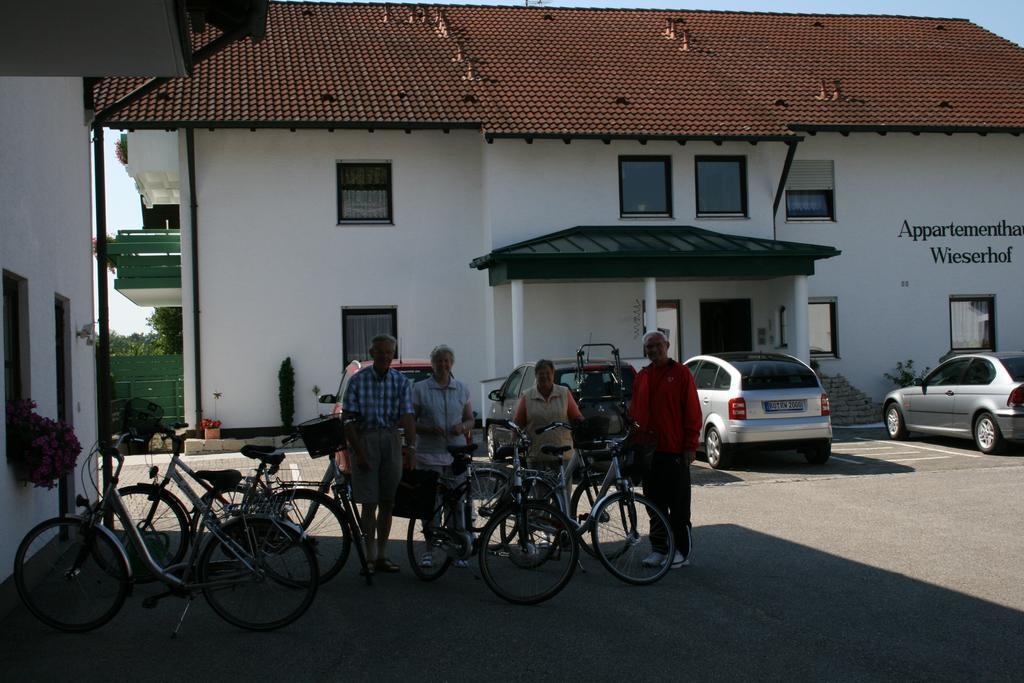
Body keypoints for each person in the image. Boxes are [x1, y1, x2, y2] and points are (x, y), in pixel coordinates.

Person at [343, 334, 417, 574]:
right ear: (372, 353)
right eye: (381, 352)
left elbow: (407, 416)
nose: (385, 356)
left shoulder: (401, 381)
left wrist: (412, 449)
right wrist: (359, 453)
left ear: (392, 354)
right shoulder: (357, 381)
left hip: (391, 439)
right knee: (369, 502)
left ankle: (383, 555)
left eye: (389, 352)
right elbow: (348, 420)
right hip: (365, 438)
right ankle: (369, 557)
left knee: (388, 500)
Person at [629, 330, 702, 568]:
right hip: (649, 452)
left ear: (667, 345)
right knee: (654, 503)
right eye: (649, 347)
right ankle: (659, 549)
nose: (654, 350)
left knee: (678, 505)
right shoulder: (643, 376)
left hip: (675, 450)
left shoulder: (681, 374)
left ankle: (681, 551)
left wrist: (690, 446)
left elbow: (692, 412)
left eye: (657, 346)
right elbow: (635, 412)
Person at [412, 344, 474, 567]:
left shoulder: (462, 388)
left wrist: (463, 427)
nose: (443, 365)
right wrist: (428, 429)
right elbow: (411, 421)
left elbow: (470, 419)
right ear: (432, 364)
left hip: (455, 454)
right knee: (431, 505)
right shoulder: (420, 389)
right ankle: (429, 550)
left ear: (452, 363)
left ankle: (457, 549)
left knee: (456, 503)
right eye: (439, 361)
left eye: (446, 360)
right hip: (428, 454)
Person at [513, 359, 583, 469]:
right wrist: (516, 449)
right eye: (541, 374)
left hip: (562, 455)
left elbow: (577, 418)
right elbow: (517, 424)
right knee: (538, 486)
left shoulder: (564, 393)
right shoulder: (527, 396)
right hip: (537, 456)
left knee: (563, 486)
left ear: (553, 374)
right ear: (536, 376)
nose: (545, 376)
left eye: (548, 373)